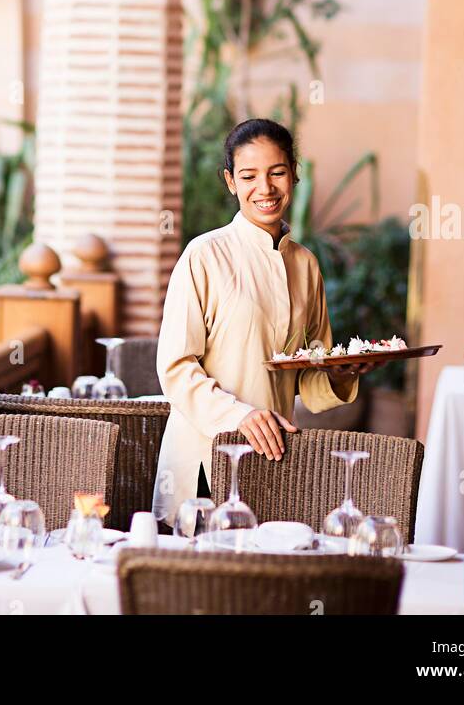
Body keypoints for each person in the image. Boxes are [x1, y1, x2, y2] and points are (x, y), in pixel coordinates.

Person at [153, 118, 374, 528]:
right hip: (205, 453)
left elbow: (308, 374)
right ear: (231, 182)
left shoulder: (305, 264)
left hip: (274, 457)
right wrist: (239, 416)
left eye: (276, 172)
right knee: (199, 585)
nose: (266, 188)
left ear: (294, 173)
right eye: (249, 175)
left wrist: (341, 371)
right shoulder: (204, 256)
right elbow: (175, 368)